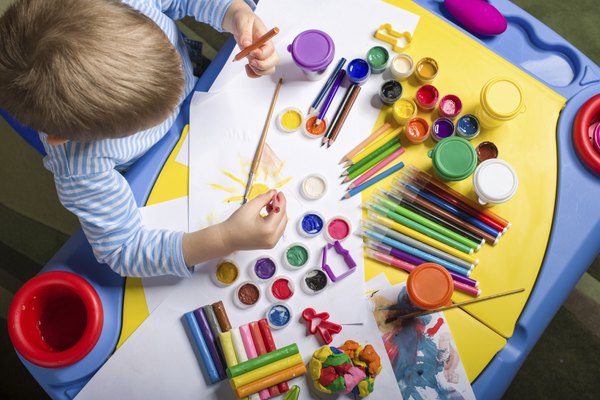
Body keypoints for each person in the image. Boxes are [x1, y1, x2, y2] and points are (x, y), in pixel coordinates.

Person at [0, 0, 286, 277]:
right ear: (61, 138)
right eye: (138, 124)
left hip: (206, 88)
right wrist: (225, 238)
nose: (166, 112)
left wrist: (235, 13)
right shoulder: (81, 168)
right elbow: (123, 249)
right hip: (159, 174)